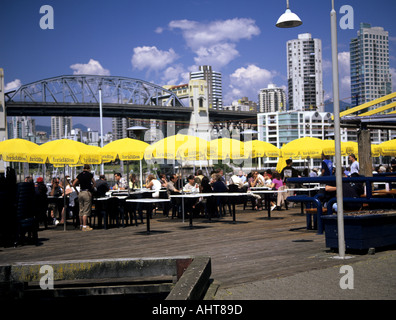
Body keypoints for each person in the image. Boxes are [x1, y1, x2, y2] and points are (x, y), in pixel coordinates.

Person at [73, 164, 96, 231]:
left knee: (81, 210)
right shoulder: (89, 174)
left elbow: (74, 184)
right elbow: (94, 183)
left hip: (80, 192)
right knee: (86, 210)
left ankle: (81, 225)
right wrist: (91, 188)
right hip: (87, 192)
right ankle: (85, 226)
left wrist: (76, 191)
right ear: (88, 169)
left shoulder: (80, 175)